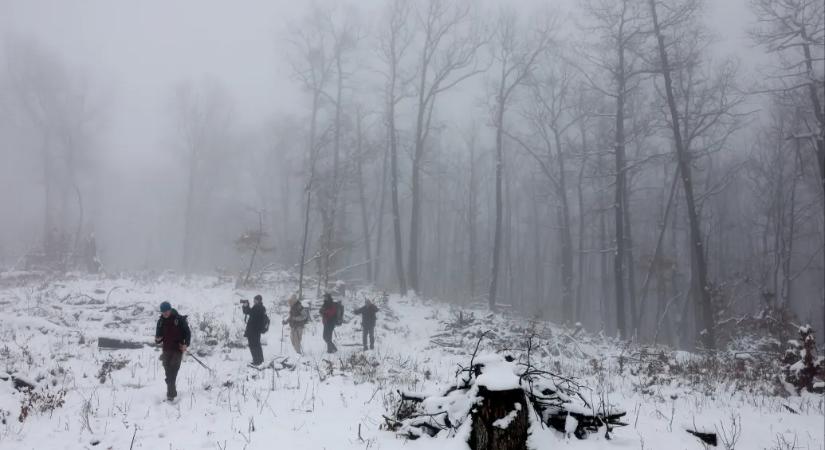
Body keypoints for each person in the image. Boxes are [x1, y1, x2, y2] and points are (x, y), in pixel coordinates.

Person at [154, 301, 191, 401]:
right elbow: (158, 337)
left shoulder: (179, 320)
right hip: (166, 349)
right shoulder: (161, 322)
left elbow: (187, 333)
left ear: (170, 310)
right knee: (168, 372)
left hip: (177, 349)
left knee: (173, 371)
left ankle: (171, 396)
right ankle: (171, 388)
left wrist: (185, 344)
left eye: (167, 311)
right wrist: (157, 339)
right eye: (163, 311)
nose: (165, 313)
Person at [242, 295, 267, 365]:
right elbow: (249, 312)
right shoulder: (261, 307)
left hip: (253, 330)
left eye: (255, 300)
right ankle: (260, 360)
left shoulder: (258, 307)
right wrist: (246, 306)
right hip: (256, 330)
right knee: (257, 345)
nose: (253, 301)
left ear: (258, 300)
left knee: (253, 345)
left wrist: (246, 306)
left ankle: (256, 361)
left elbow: (249, 312)